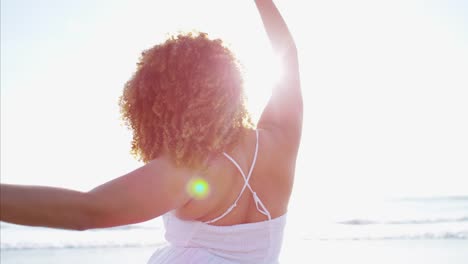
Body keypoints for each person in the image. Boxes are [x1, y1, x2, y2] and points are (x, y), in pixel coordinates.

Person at [0, 0, 302, 263]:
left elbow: (86, 211)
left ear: (163, 101)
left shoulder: (189, 171)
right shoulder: (280, 139)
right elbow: (289, 57)